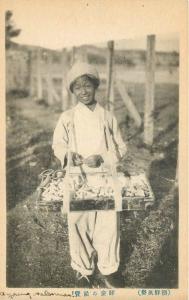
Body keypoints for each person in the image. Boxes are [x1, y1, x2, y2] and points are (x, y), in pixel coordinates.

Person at [52, 62, 127, 288]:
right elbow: (57, 144)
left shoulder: (107, 117)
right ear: (73, 91)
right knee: (78, 223)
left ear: (95, 87)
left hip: (104, 177)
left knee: (107, 223)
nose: (83, 91)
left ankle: (109, 268)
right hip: (77, 177)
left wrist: (103, 158)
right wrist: (68, 155)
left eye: (87, 85)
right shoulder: (67, 117)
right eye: (78, 87)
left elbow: (121, 148)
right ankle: (83, 269)